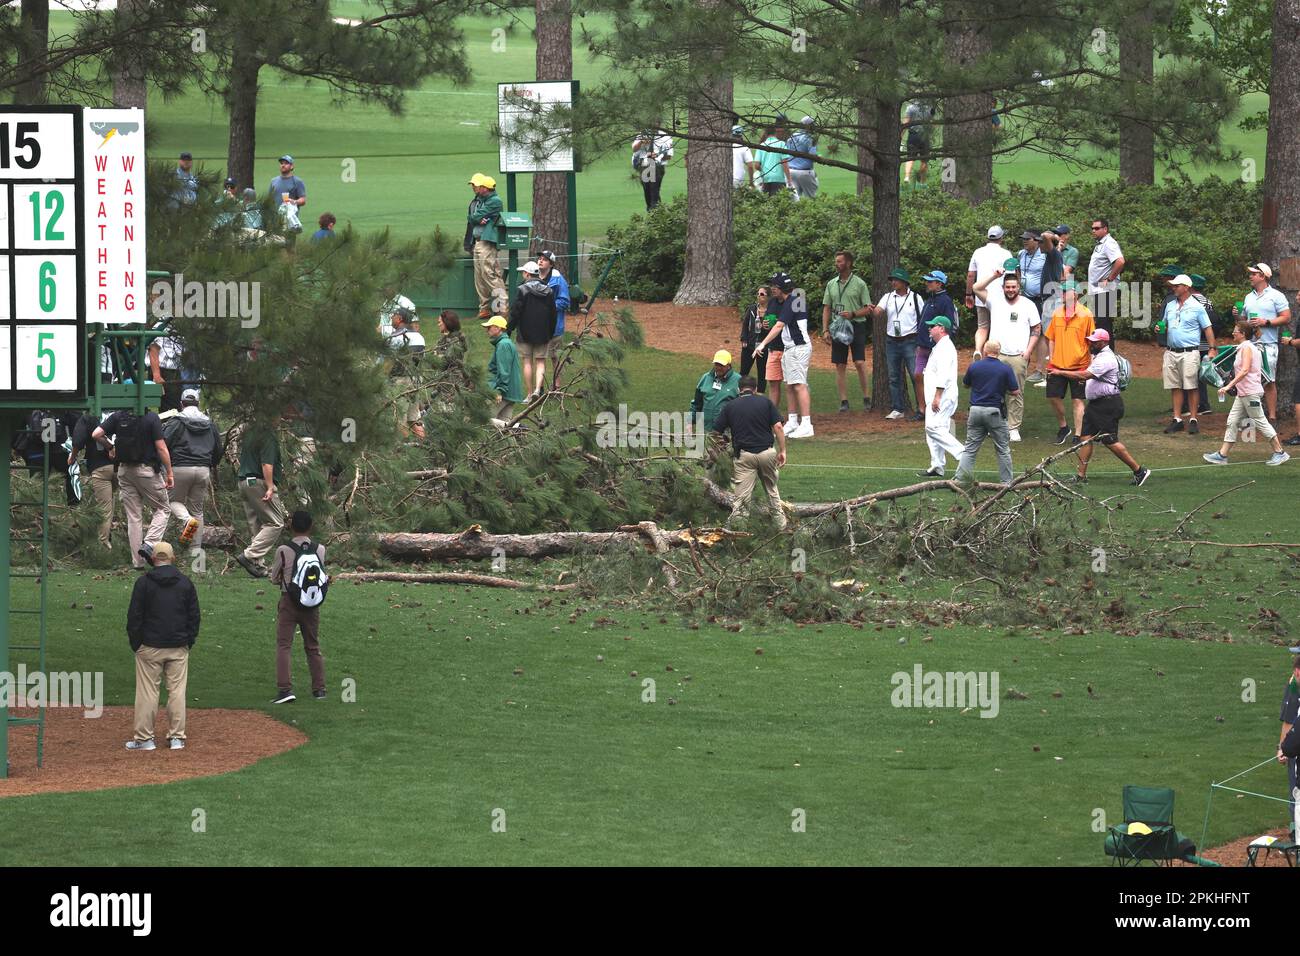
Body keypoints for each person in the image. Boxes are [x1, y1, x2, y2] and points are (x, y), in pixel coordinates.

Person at [125, 542, 200, 751]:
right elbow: (194, 617)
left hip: (149, 646)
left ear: (153, 559)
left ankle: (144, 739)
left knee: (147, 692)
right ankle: (177, 738)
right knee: (177, 691)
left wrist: (136, 644)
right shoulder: (185, 583)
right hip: (178, 646)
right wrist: (188, 641)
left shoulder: (143, 584)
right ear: (172, 558)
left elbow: (134, 617)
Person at [1053, 329, 1150, 486]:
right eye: (1091, 341)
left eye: (1095, 341)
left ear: (1104, 342)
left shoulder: (1106, 358)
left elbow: (1085, 375)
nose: (1091, 343)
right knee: (1085, 438)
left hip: (1107, 404)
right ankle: (1081, 476)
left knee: (1109, 440)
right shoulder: (1099, 356)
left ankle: (1139, 471)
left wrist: (1060, 372)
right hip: (1097, 405)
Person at [93, 408, 174, 570]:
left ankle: (138, 563)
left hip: (124, 471)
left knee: (133, 517)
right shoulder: (151, 417)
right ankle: (150, 543)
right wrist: (170, 473)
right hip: (146, 471)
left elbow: (96, 434)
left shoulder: (118, 416)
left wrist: (110, 447)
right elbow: (161, 448)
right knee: (163, 509)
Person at [1202, 321, 1291, 467]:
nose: (1233, 333)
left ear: (1242, 334)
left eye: (1235, 330)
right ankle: (1222, 455)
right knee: (1232, 421)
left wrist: (1228, 386)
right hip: (1243, 394)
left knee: (1260, 421)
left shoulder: (1247, 348)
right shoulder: (1243, 347)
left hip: (1250, 393)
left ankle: (1280, 452)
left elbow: (1244, 370)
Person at [972, 268, 1041, 442]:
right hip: (996, 355)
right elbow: (976, 288)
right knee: (993, 391)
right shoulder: (994, 300)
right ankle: (995, 425)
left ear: (1019, 287)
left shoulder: (1028, 304)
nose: (1010, 290)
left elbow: (1036, 329)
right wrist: (994, 275)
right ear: (1003, 287)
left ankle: (1013, 428)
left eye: (1014, 287)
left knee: (1016, 392)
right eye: (1007, 287)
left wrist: (1028, 351)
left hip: (1018, 355)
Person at [710, 377, 787, 529]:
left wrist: (724, 447)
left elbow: (715, 432)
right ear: (756, 389)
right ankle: (780, 526)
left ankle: (739, 533)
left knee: (742, 499)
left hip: (744, 456)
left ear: (739, 390)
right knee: (771, 490)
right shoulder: (765, 402)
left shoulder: (731, 406)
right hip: (767, 453)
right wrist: (783, 450)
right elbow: (778, 426)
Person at [270, 510, 329, 704]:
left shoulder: (283, 550)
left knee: (284, 645)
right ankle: (319, 689)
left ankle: (285, 690)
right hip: (311, 603)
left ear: (291, 526)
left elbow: (273, 578)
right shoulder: (320, 549)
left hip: (289, 601)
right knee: (313, 645)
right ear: (310, 526)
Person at [754, 272, 813, 438]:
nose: (772, 289)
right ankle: (793, 421)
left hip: (798, 347)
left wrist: (763, 344)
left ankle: (807, 424)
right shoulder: (791, 300)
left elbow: (779, 326)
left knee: (799, 384)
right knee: (790, 385)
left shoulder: (793, 301)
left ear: (782, 288)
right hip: (790, 348)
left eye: (775, 286)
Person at [1232, 262, 1291, 425]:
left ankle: (1272, 418)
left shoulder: (1276, 295)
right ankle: (1250, 418)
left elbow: (1286, 317)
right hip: (1250, 345)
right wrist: (1237, 316)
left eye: (1253, 274)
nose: (1250, 276)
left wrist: (1266, 322)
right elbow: (1243, 322)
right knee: (1247, 381)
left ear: (1262, 276)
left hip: (1268, 344)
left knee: (1269, 381)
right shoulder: (1248, 297)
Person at [955, 340, 1021, 485]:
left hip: (975, 410)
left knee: (970, 448)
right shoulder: (1005, 369)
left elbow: (966, 384)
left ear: (985, 351)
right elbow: (1015, 391)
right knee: (1002, 448)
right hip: (994, 412)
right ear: (999, 352)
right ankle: (1006, 482)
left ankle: (960, 479)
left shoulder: (974, 366)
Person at [162, 389, 221, 550]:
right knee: (197, 510)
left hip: (179, 468)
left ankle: (187, 520)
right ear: (198, 403)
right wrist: (210, 464)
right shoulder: (209, 423)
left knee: (172, 501)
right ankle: (195, 552)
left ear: (181, 404)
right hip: (203, 470)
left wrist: (163, 467)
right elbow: (217, 449)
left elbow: (163, 444)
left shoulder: (176, 422)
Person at [1160, 274, 1216, 435]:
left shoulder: (1197, 306)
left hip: (1190, 351)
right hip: (1171, 351)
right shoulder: (1170, 305)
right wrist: (1159, 329)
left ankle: (1193, 419)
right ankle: (1177, 419)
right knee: (1175, 386)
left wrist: (1212, 348)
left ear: (1186, 287)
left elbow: (1207, 328)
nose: (1174, 288)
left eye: (1177, 286)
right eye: (1173, 285)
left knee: (1191, 386)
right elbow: (1164, 323)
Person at [1043, 280, 1095, 445]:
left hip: (1079, 364)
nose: (1063, 294)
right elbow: (1051, 337)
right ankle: (1064, 426)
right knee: (1052, 396)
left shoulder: (1086, 314)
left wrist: (1091, 363)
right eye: (1062, 291)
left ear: (1076, 294)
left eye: (1067, 291)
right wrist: (1051, 357)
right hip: (1057, 363)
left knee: (1077, 400)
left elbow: (1092, 339)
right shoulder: (1057, 313)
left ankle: (1078, 434)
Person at [821, 250, 873, 412]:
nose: (836, 264)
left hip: (856, 325)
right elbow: (826, 308)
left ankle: (867, 398)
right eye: (836, 261)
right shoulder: (831, 284)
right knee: (840, 364)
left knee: (859, 362)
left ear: (848, 263)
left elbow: (868, 309)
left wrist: (853, 314)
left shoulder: (860, 284)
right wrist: (825, 330)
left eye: (840, 261)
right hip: (838, 327)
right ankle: (844, 401)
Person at [872, 267, 925, 420]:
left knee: (916, 375)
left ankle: (921, 408)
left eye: (896, 280)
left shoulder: (915, 297)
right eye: (892, 280)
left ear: (904, 282)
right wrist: (874, 310)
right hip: (892, 341)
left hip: (910, 340)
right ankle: (898, 408)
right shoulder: (888, 297)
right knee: (894, 376)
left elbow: (922, 317)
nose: (893, 282)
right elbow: (878, 311)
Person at [234, 424, 286, 578]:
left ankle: (258, 565)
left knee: (256, 524)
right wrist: (270, 486)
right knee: (276, 523)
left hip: (244, 482)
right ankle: (249, 555)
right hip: (258, 483)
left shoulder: (250, 433)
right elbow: (266, 464)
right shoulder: (267, 435)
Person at [918, 317, 964, 478]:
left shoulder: (945, 348)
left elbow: (944, 374)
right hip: (936, 395)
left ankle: (963, 455)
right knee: (934, 429)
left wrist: (937, 396)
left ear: (941, 328)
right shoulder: (940, 347)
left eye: (932, 326)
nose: (929, 329)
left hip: (943, 396)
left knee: (933, 428)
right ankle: (937, 465)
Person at [508, 260, 558, 400]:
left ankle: (529, 394)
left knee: (527, 362)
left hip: (525, 332)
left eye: (523, 272)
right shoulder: (548, 291)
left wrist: (509, 329)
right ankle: (537, 390)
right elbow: (553, 314)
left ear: (527, 274)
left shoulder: (522, 290)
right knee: (541, 361)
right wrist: (551, 331)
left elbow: (515, 312)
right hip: (543, 333)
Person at [69, 411, 117, 549]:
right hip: (120, 466)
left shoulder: (89, 416)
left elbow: (78, 440)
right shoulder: (119, 414)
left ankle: (103, 544)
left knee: (104, 508)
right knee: (112, 503)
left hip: (99, 467)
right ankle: (111, 536)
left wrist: (72, 457)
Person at [465, 173, 505, 319]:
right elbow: (473, 218)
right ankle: (484, 308)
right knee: (480, 277)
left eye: (476, 185)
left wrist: (477, 218)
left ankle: (501, 307)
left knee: (489, 274)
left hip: (487, 242)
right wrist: (477, 218)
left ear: (484, 188)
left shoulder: (494, 201)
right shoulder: (480, 200)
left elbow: (474, 217)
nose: (473, 188)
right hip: (478, 241)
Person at [966, 225, 1008, 356]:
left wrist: (969, 294)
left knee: (982, 327)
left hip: (980, 293)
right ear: (1001, 238)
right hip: (999, 296)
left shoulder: (978, 252)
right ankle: (994, 353)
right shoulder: (1006, 254)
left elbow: (971, 275)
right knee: (998, 326)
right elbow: (1010, 276)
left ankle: (978, 349)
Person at [387, 308, 428, 440]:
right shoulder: (419, 337)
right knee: (413, 419)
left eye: (393, 316)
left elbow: (388, 363)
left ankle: (403, 451)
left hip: (399, 381)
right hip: (416, 380)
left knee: (400, 418)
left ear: (399, 319)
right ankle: (425, 446)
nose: (391, 318)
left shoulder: (395, 337)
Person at [915, 268, 959, 386]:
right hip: (922, 346)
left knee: (932, 378)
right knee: (918, 376)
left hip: (934, 347)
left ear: (939, 284)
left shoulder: (945, 301)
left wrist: (940, 344)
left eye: (930, 281)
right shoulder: (930, 299)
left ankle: (934, 403)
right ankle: (921, 405)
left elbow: (950, 325)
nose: (927, 283)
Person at [536, 250, 571, 387]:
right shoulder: (535, 276)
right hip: (538, 327)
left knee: (555, 357)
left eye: (544, 259)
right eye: (539, 258)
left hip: (554, 327)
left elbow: (564, 301)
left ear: (551, 263)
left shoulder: (558, 279)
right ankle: (540, 388)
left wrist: (546, 307)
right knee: (540, 357)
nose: (540, 260)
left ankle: (557, 386)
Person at [1086, 217, 1125, 336]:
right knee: (1102, 324)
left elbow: (1120, 261)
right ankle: (1106, 352)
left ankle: (1107, 352)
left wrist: (1109, 279)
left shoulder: (1109, 243)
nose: (1093, 231)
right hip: (1099, 290)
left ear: (1105, 229)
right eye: (1092, 228)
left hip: (1105, 289)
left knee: (1103, 325)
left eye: (1097, 228)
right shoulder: (1101, 244)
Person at [483, 315, 524, 419]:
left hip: (503, 393)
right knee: (504, 427)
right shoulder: (505, 343)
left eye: (489, 327)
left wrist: (499, 390)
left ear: (498, 328)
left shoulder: (503, 345)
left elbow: (504, 370)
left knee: (486, 420)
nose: (487, 330)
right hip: (510, 392)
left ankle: (521, 428)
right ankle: (519, 430)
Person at [689, 351, 742, 432]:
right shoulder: (705, 378)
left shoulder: (738, 380)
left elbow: (743, 408)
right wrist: (690, 422)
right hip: (705, 429)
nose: (718, 367)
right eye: (716, 364)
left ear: (729, 365)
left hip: (726, 431)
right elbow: (697, 403)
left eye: (722, 365)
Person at [1277, 648, 1300, 824]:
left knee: (1296, 794)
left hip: (1296, 750)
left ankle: (1296, 839)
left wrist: (1283, 748)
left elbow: (1289, 718)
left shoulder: (1294, 684)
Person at [632, 129, 674, 210]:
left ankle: (655, 209)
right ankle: (654, 210)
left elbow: (669, 156)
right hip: (644, 165)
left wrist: (657, 155)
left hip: (658, 166)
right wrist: (641, 142)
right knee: (648, 190)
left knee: (654, 190)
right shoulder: (643, 134)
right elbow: (634, 149)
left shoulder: (665, 136)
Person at [739, 285, 770, 393]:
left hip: (763, 347)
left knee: (762, 373)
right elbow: (745, 324)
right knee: (744, 371)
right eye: (758, 293)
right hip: (749, 345)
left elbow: (773, 330)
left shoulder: (771, 312)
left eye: (762, 294)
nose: (759, 296)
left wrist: (765, 328)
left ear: (768, 297)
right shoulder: (752, 309)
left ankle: (760, 395)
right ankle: (741, 393)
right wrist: (744, 338)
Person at [787, 116, 819, 200]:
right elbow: (812, 155)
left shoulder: (791, 136)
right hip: (805, 172)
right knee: (811, 199)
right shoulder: (811, 138)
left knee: (794, 200)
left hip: (791, 172)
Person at [756, 123, 793, 195]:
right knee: (778, 202)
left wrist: (764, 171)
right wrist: (789, 180)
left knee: (767, 203)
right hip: (778, 179)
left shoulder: (761, 146)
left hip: (766, 179)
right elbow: (784, 162)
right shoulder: (781, 144)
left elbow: (757, 165)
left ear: (766, 133)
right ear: (775, 132)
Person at [901, 100, 931, 187]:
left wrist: (901, 135)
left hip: (913, 135)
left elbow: (906, 122)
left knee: (910, 157)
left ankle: (907, 177)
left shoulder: (910, 108)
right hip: (925, 136)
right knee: (924, 159)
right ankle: (922, 182)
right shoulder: (929, 108)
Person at [731, 124, 758, 190]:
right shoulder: (744, 148)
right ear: (741, 134)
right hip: (738, 179)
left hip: (726, 178)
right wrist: (751, 182)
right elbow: (750, 166)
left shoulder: (725, 147)